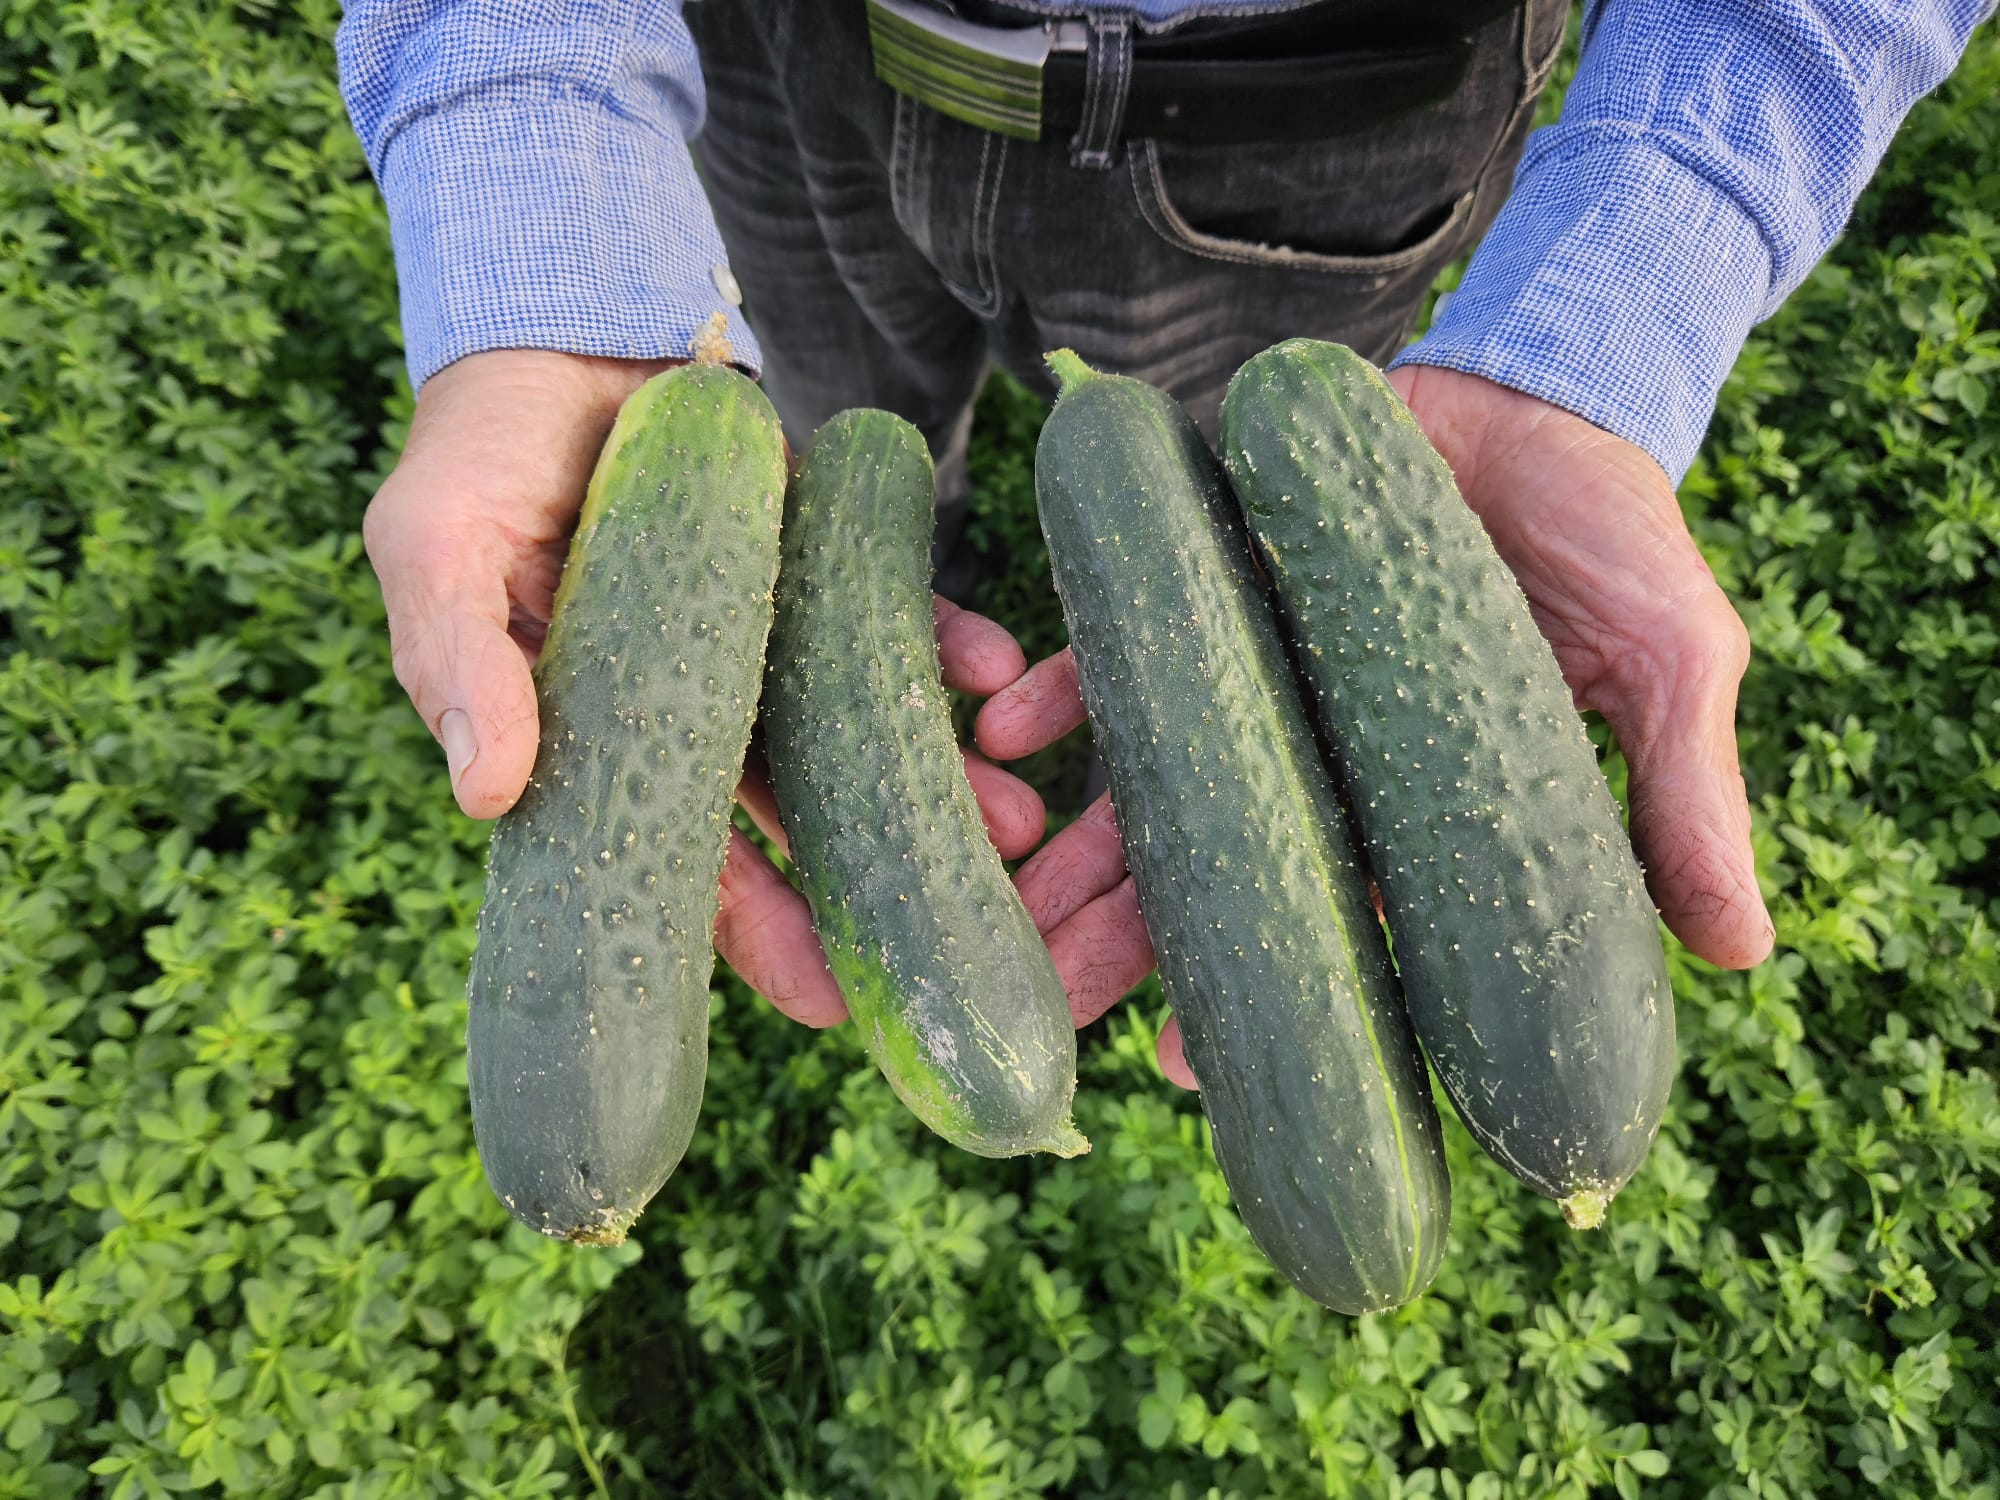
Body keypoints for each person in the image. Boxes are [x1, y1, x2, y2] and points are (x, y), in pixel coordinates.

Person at [336, 0, 1990, 1086]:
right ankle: (923, 516)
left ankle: (987, 525)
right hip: (767, 55)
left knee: (1212, 523)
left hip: (1320, 105)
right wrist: (533, 178)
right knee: (840, 424)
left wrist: (1632, 286)